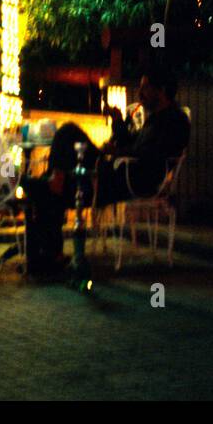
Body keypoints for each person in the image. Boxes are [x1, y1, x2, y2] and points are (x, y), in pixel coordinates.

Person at [22, 69, 190, 276]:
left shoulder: (175, 120)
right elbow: (132, 141)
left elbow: (150, 154)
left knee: (67, 132)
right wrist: (118, 121)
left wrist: (115, 151)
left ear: (162, 90)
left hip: (127, 179)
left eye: (145, 88)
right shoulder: (155, 118)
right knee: (48, 191)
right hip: (116, 173)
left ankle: (37, 183)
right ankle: (49, 256)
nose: (140, 94)